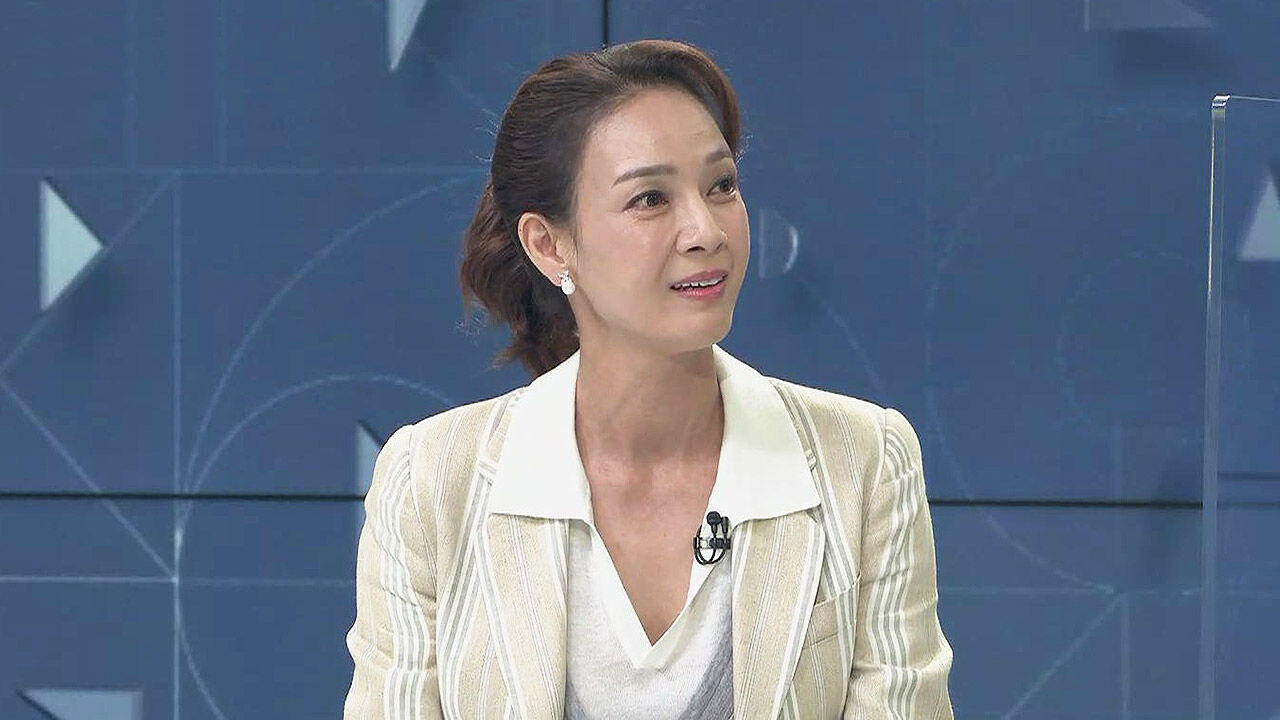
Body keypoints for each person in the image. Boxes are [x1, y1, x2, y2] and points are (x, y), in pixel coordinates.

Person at [343, 38, 953, 719]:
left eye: (721, 186)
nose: (705, 231)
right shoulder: (430, 483)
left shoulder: (865, 462)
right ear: (549, 245)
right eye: (650, 199)